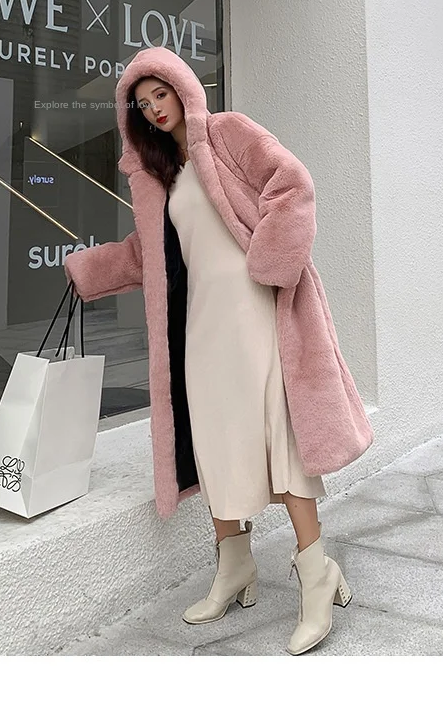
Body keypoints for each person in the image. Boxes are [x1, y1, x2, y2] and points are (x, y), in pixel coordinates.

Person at [64, 46, 373, 655]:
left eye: (161, 94)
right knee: (216, 444)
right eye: (142, 103)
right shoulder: (160, 177)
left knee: (280, 441)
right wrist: (86, 271)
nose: (155, 109)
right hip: (202, 330)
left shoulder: (228, 133)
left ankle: (316, 573)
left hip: (258, 313)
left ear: (183, 89)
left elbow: (292, 184)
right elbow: (147, 255)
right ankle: (234, 566)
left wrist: (269, 263)